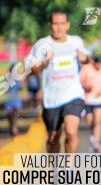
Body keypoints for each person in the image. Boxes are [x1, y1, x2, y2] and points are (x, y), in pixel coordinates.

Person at [30, 12, 90, 153]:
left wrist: (84, 59)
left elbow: (87, 59)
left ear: (67, 25)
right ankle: (54, 169)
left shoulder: (76, 41)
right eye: (56, 24)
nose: (59, 27)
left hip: (73, 94)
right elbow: (32, 70)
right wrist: (45, 62)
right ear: (50, 25)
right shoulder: (42, 44)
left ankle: (68, 169)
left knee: (71, 132)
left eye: (62, 23)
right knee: (53, 138)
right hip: (52, 98)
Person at [4, 65, 24, 137]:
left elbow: (21, 87)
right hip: (10, 98)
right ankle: (12, 126)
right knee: (10, 115)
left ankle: (14, 127)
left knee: (15, 113)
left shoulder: (18, 78)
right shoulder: (8, 78)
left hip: (16, 98)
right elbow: (5, 90)